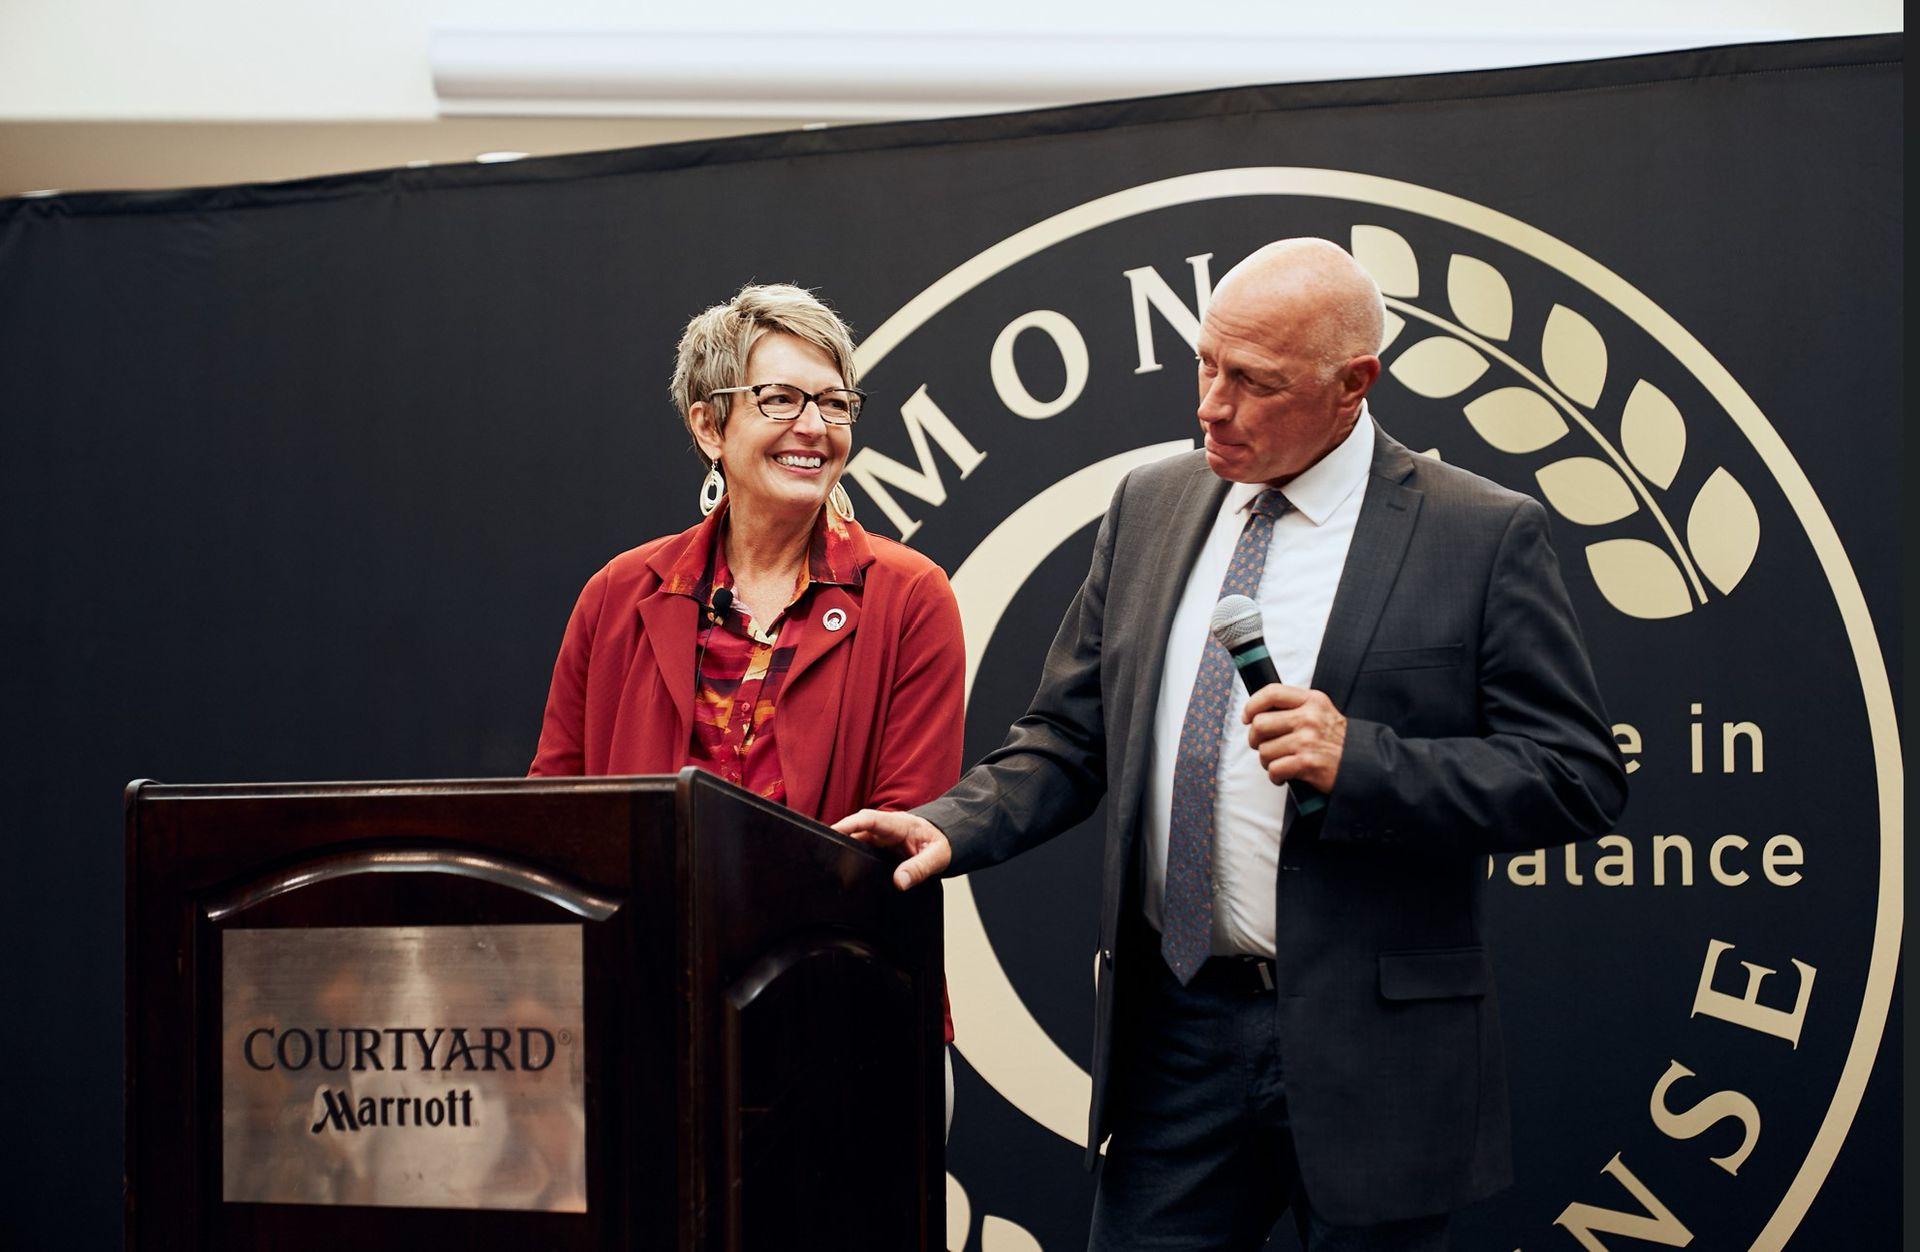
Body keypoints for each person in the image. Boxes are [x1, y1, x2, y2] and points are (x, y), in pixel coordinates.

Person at [836, 239, 1627, 1250]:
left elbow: (1576, 775)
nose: (1211, 405)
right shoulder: (1151, 504)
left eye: (1253, 382)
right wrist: (951, 824)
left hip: (1373, 1047)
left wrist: (1366, 761)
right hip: (1175, 1036)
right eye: (1205, 363)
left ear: (1354, 384)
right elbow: (1069, 735)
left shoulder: (1478, 531)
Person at [530, 282, 964, 1064]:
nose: (814, 427)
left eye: (835, 404)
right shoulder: (618, 594)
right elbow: (555, 818)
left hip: (840, 1024)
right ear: (708, 425)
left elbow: (902, 833)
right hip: (642, 1019)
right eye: (780, 399)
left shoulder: (910, 596)